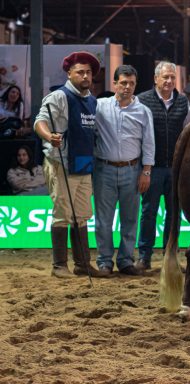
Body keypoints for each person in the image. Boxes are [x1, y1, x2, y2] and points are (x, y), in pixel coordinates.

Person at [34, 51, 101, 278]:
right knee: (63, 213)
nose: (85, 76)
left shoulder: (92, 100)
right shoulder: (59, 96)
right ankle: (59, 266)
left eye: (88, 72)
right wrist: (49, 136)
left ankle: (83, 264)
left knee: (82, 215)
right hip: (61, 162)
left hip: (84, 164)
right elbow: (40, 121)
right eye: (80, 72)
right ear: (69, 74)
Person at [93, 65, 155, 277]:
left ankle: (126, 260)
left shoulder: (143, 111)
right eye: (123, 83)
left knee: (130, 219)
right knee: (103, 220)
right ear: (115, 84)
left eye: (132, 83)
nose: (127, 87)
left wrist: (146, 172)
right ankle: (104, 261)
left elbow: (149, 143)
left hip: (133, 170)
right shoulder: (99, 106)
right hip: (104, 169)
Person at [135, 61, 188, 271]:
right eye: (165, 77)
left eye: (172, 77)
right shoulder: (142, 100)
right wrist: (144, 168)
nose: (169, 81)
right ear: (156, 78)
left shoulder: (182, 101)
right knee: (149, 212)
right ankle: (144, 257)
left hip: (176, 168)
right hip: (152, 167)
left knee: (174, 214)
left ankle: (170, 256)